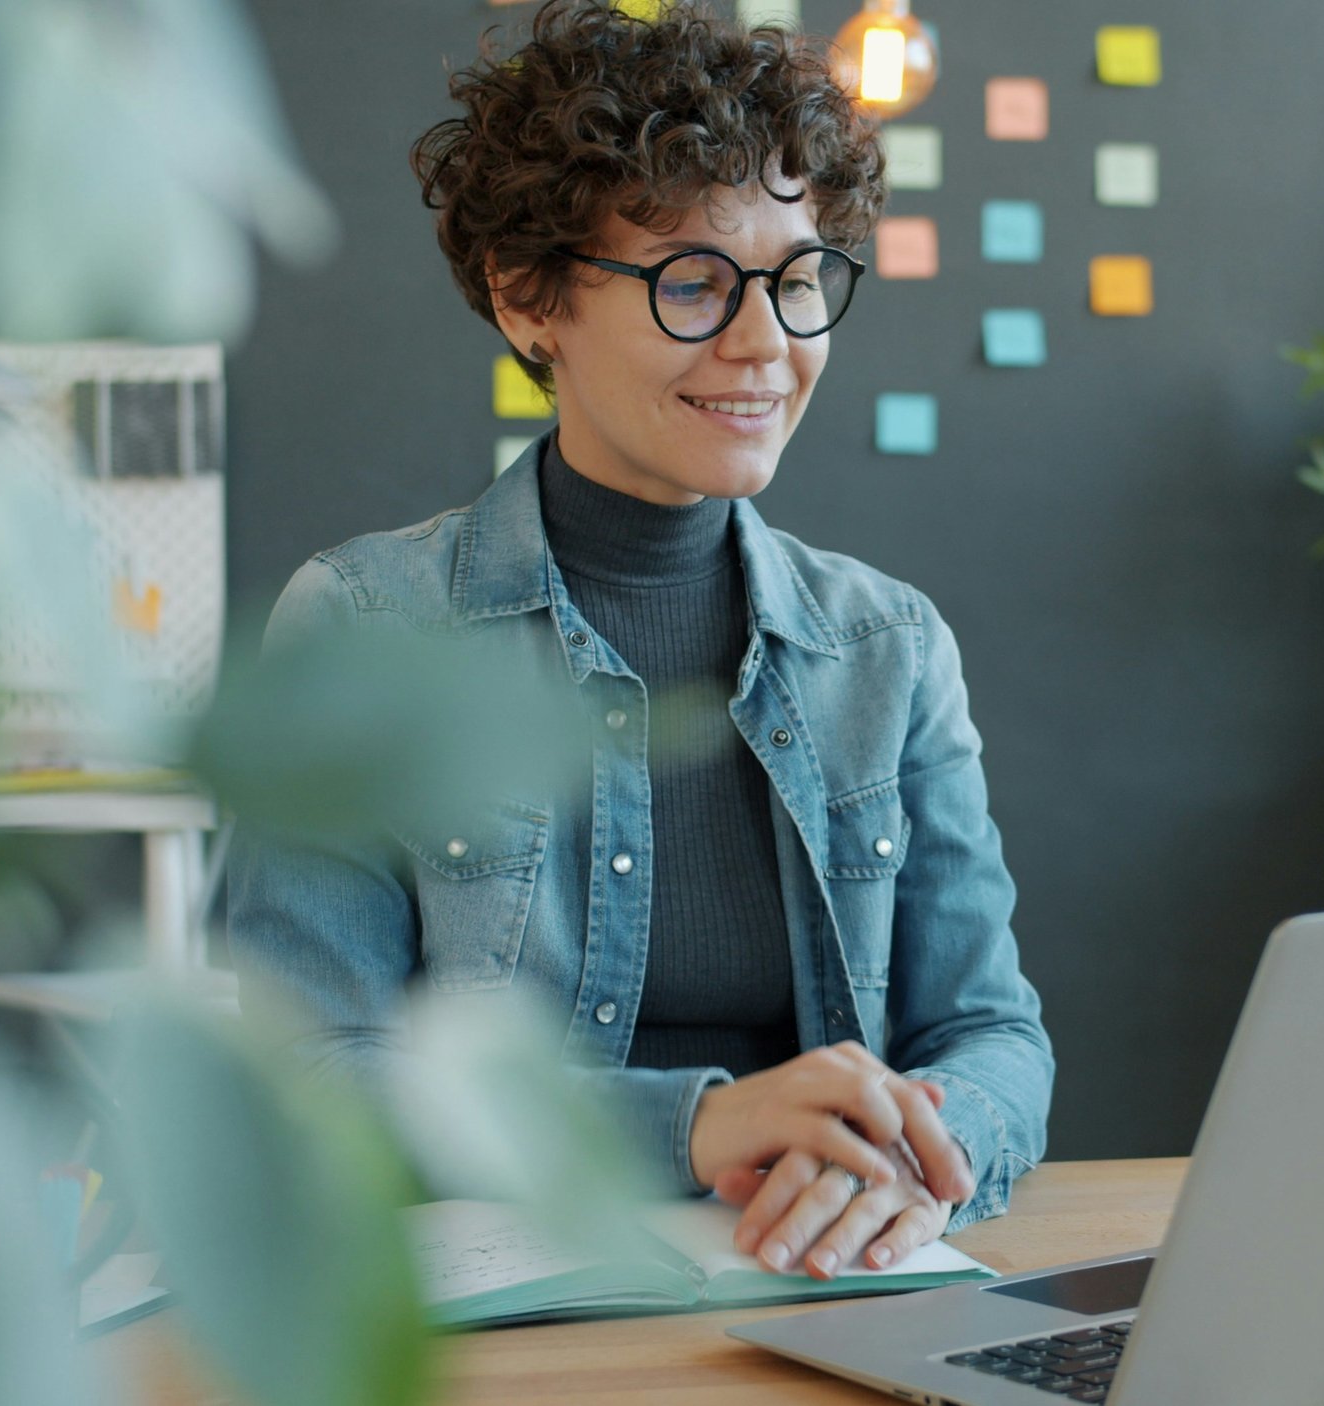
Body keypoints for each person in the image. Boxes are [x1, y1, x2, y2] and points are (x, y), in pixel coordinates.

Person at [227, 0, 1051, 1283]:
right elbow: (310, 1076)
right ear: (527, 298)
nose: (765, 339)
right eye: (691, 281)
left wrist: (913, 1155)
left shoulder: (885, 647)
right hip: (514, 1313)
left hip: (822, 1283)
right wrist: (701, 1123)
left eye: (795, 277)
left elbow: (992, 1033)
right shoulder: (366, 624)